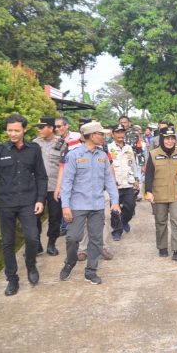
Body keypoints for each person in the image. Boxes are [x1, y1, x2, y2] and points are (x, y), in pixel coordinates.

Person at [0, 114, 47, 296]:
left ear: (24, 130)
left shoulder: (34, 149)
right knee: (8, 243)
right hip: (6, 203)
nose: (13, 134)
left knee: (32, 238)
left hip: (28, 202)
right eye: (10, 130)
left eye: (17, 130)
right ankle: (12, 279)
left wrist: (40, 199)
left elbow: (41, 176)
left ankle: (31, 266)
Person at [59, 122, 121, 285]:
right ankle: (70, 262)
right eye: (101, 134)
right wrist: (65, 206)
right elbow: (67, 182)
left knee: (96, 239)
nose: (104, 136)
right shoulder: (74, 155)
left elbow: (109, 180)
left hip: (97, 205)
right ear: (92, 135)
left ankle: (91, 271)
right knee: (73, 237)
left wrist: (115, 201)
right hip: (77, 205)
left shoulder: (102, 155)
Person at [144, 125, 177, 261]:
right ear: (161, 139)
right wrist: (148, 192)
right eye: (167, 138)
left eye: (172, 138)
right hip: (159, 192)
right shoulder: (153, 154)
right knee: (160, 221)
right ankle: (162, 247)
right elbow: (149, 175)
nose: (169, 141)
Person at [32, 116, 64, 256]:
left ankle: (51, 243)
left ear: (51, 128)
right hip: (37, 187)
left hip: (54, 186)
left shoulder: (62, 143)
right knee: (34, 216)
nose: (39, 130)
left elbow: (64, 166)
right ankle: (37, 244)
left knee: (55, 216)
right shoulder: (34, 144)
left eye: (42, 127)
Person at [108, 124, 141, 240]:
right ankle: (116, 231)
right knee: (115, 210)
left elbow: (133, 164)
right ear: (113, 134)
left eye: (122, 132)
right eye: (118, 132)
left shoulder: (129, 148)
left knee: (130, 207)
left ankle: (124, 220)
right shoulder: (108, 148)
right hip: (115, 184)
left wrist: (136, 179)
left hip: (128, 183)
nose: (120, 134)